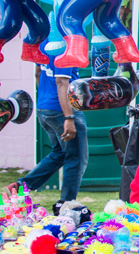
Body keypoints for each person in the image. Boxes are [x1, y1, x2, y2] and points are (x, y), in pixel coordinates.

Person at [5, 45, 88, 202]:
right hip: (62, 111)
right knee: (76, 159)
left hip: (45, 108)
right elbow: (61, 82)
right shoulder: (65, 46)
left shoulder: (44, 43)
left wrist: (48, 99)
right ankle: (65, 205)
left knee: (59, 154)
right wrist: (69, 117)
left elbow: (38, 73)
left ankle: (21, 186)